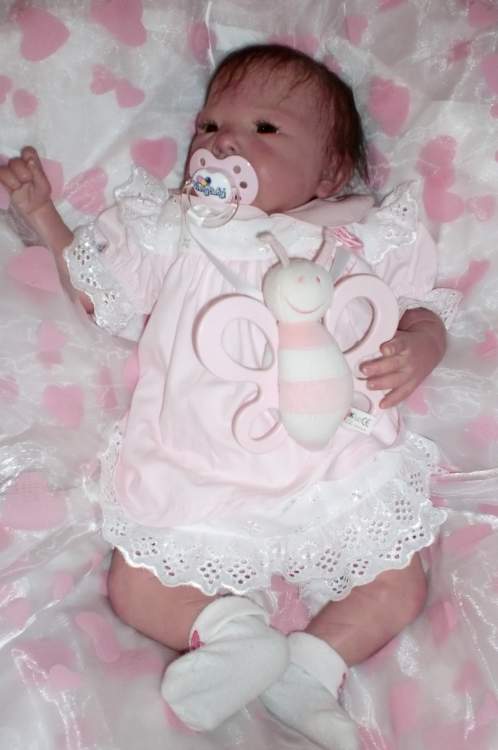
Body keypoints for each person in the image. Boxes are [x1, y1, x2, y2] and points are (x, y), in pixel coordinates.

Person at [0, 44, 457, 749]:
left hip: (331, 466)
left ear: (329, 171)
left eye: (264, 128)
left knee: (399, 586)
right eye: (209, 126)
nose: (224, 144)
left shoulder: (359, 234)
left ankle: (310, 668)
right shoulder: (174, 228)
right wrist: (45, 217)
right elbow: (103, 294)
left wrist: (423, 344)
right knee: (136, 586)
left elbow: (418, 307)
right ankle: (234, 636)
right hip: (198, 465)